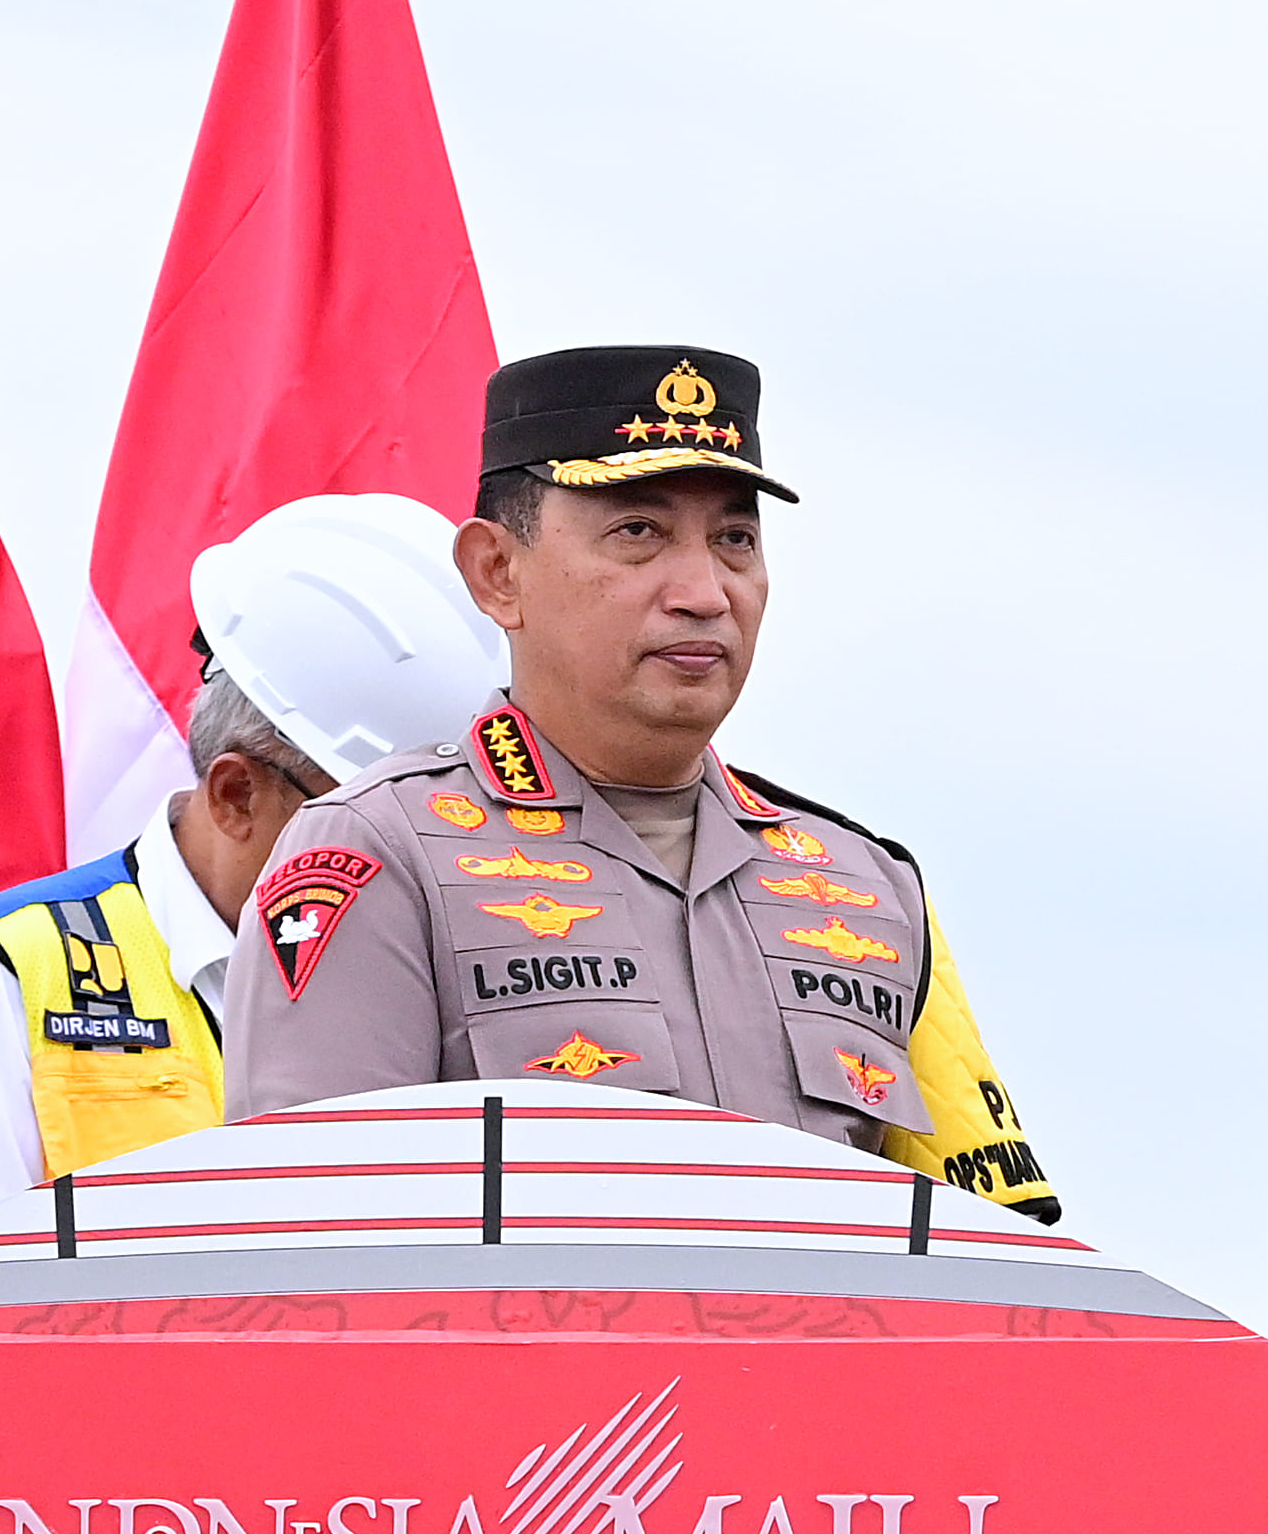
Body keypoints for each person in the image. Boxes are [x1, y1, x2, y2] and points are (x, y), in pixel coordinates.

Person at [214, 347, 1057, 1219]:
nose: (704, 593)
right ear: (497, 574)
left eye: (735, 540)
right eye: (637, 534)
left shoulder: (865, 886)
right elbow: (317, 1248)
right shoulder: (380, 854)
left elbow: (989, 1257)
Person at [0, 491, 498, 1262]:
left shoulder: (475, 968)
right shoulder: (5, 982)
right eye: (381, 831)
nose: (429, 874)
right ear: (236, 795)